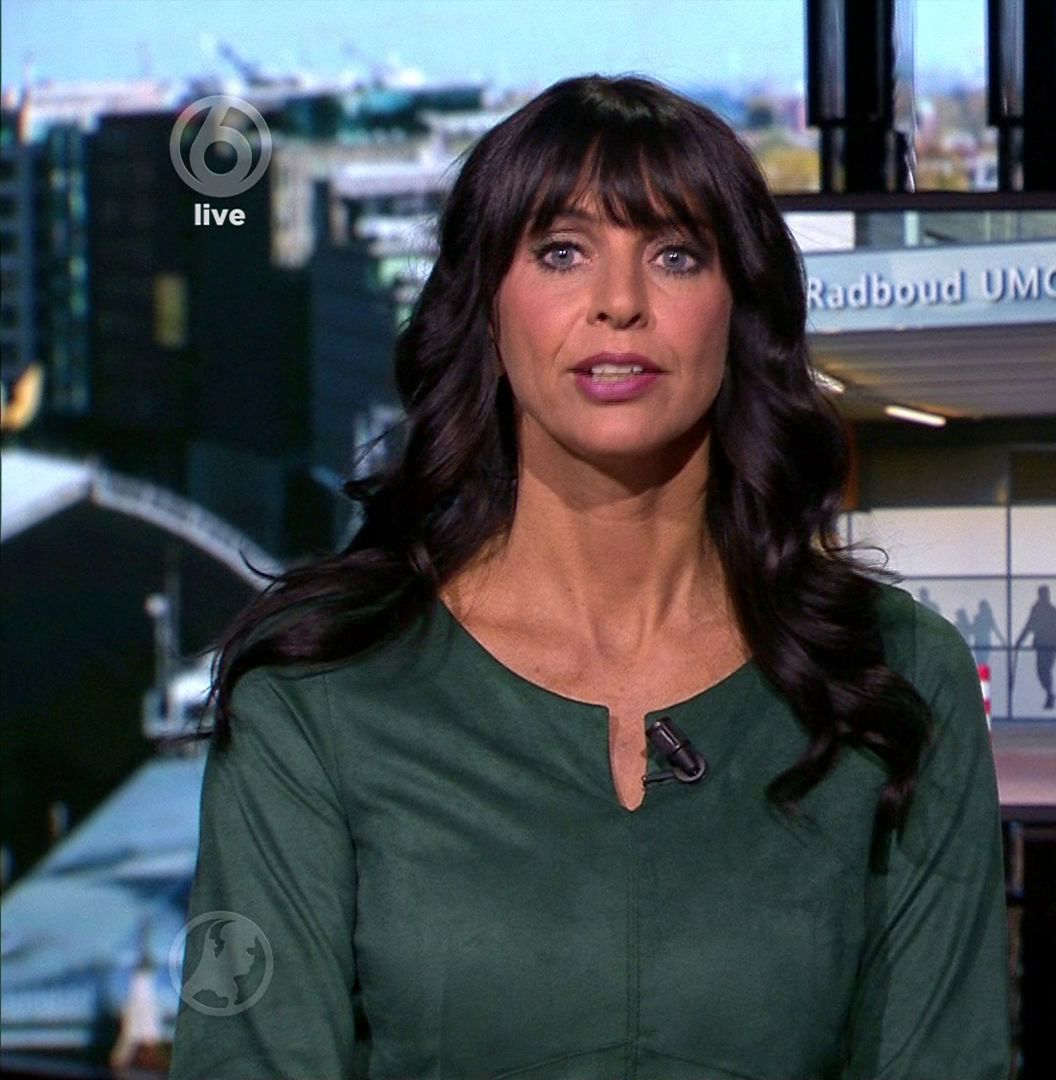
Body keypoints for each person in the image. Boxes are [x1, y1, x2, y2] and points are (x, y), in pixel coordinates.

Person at [167, 74, 1010, 1080]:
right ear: (486, 307)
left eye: (675, 255)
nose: (619, 303)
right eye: (561, 252)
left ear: (738, 311)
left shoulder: (897, 678)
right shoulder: (320, 694)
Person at [1012, 585, 1056, 710]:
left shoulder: (1048, 610)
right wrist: (1020, 641)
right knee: (1043, 671)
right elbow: (1030, 626)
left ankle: (1049, 694)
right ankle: (1049, 693)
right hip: (1045, 645)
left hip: (1049, 645)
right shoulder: (1043, 610)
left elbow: (1055, 628)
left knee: (1044, 670)